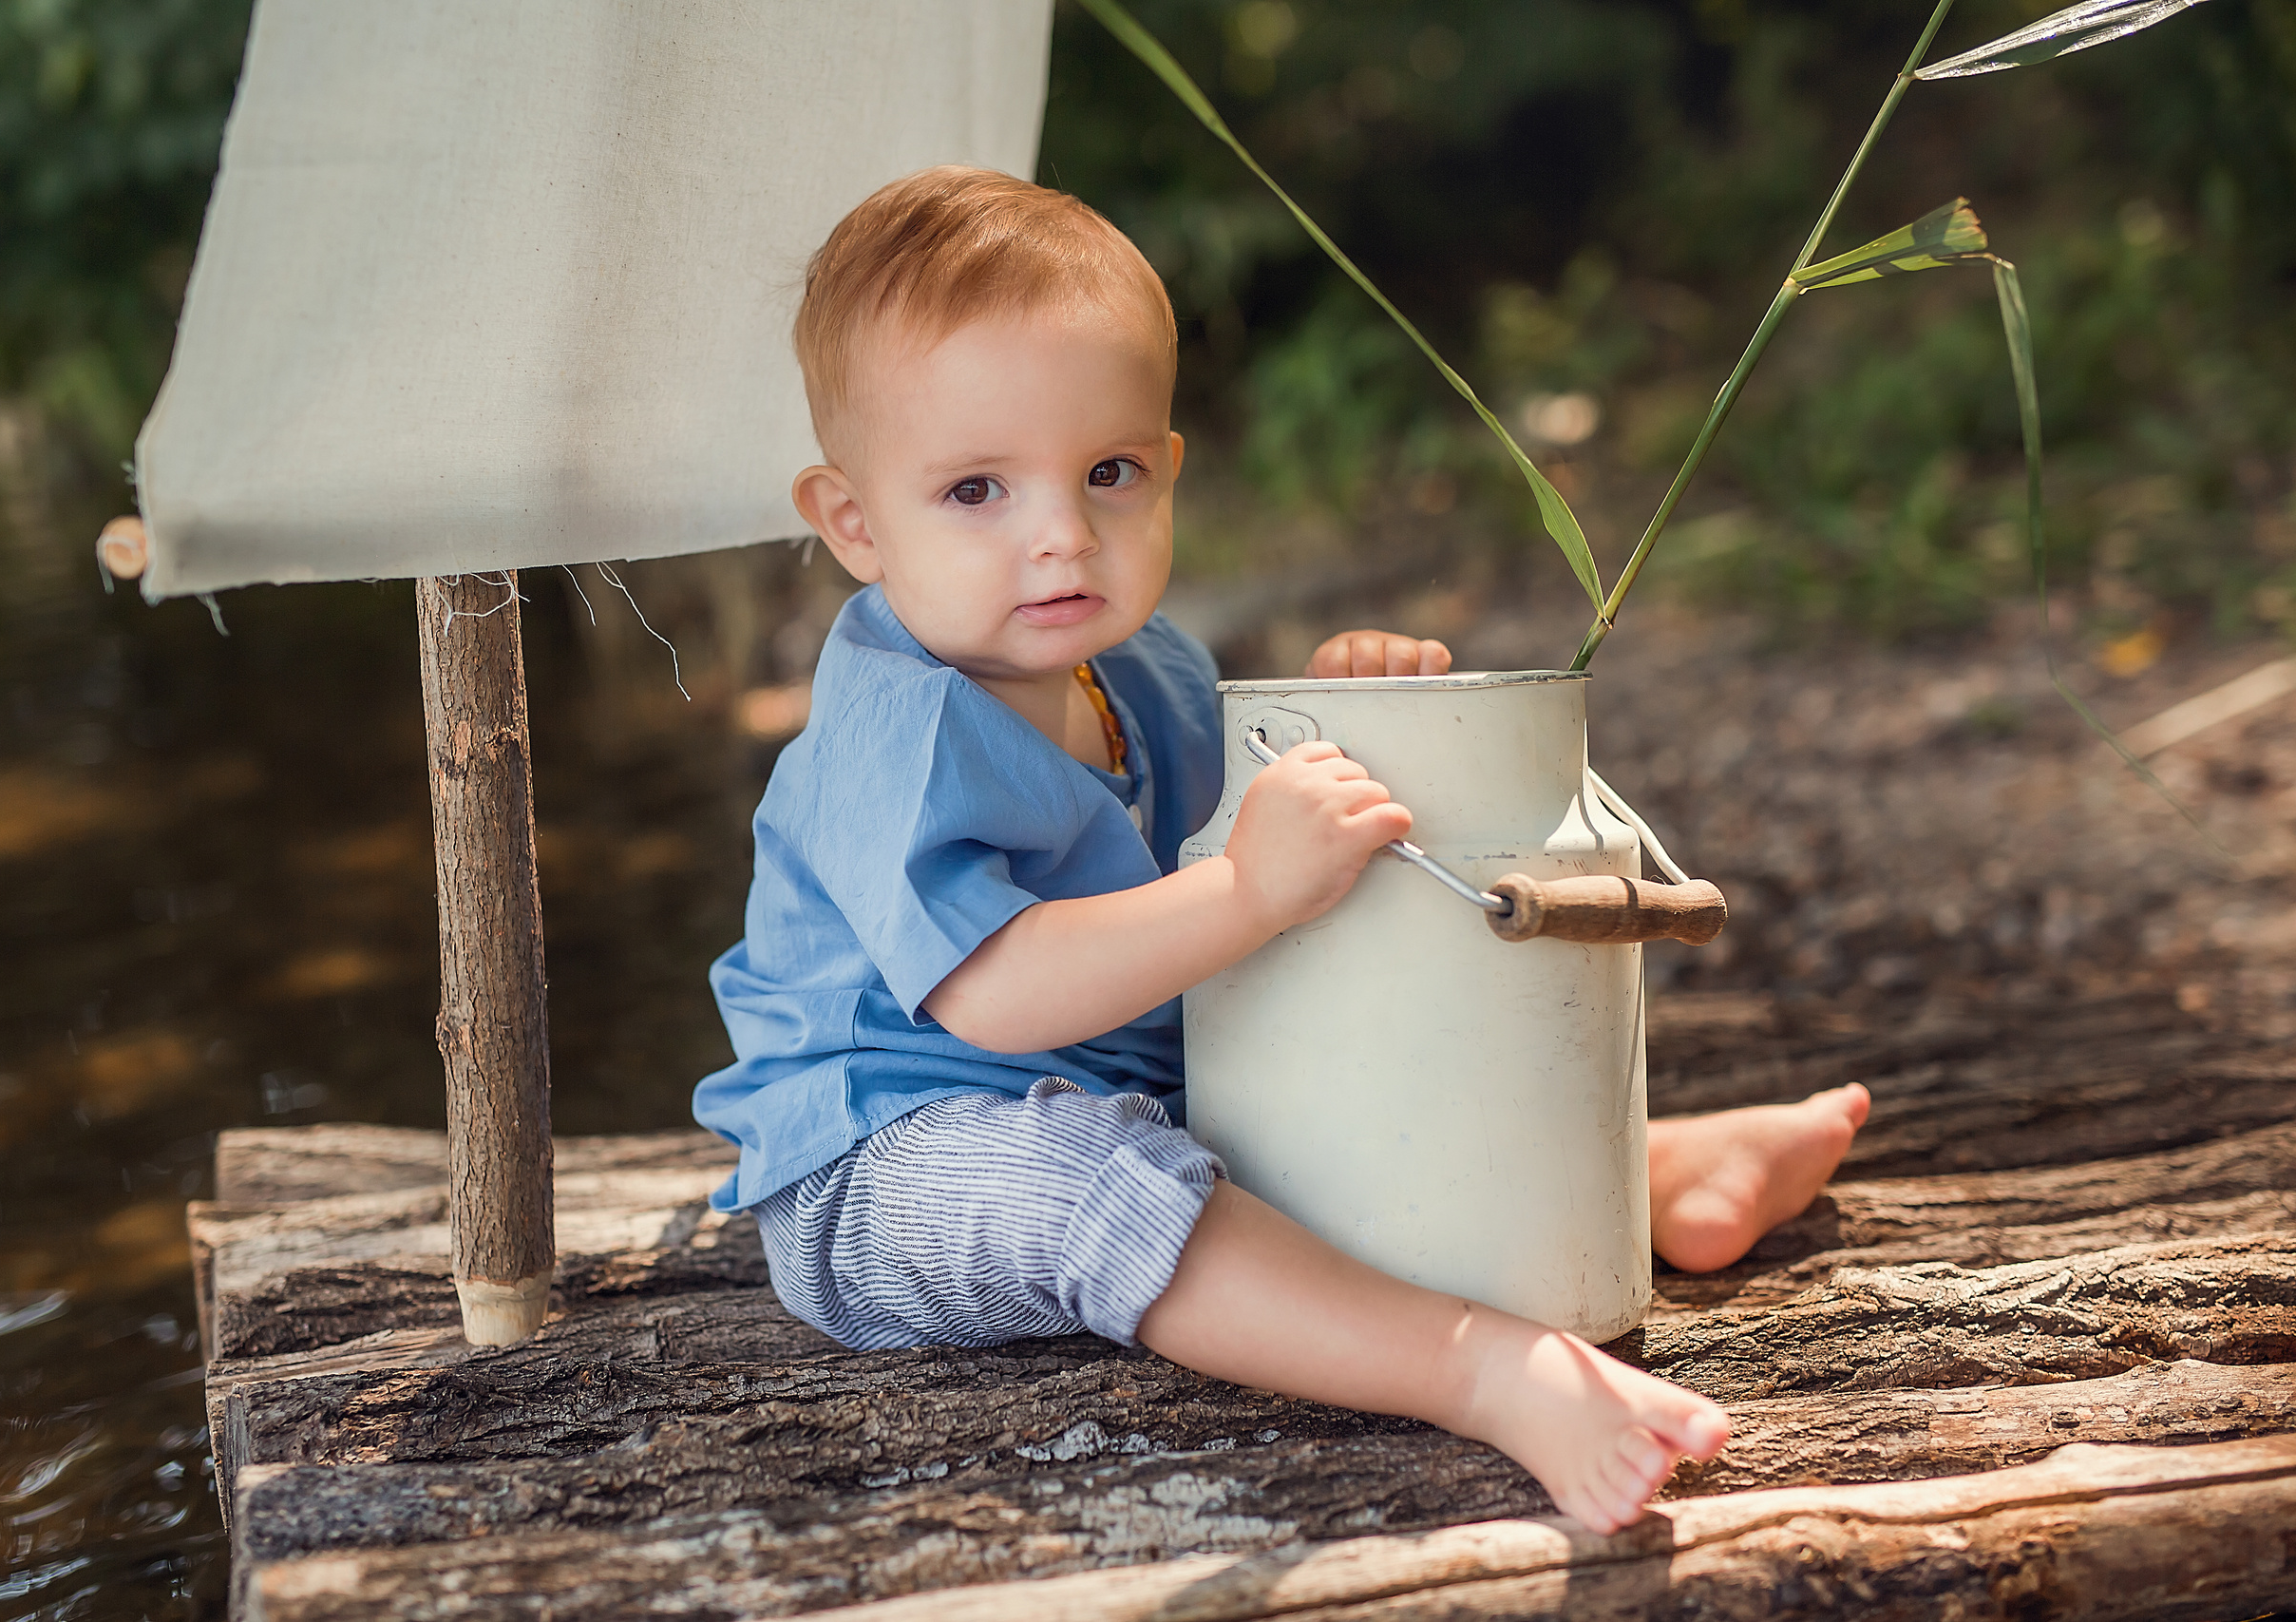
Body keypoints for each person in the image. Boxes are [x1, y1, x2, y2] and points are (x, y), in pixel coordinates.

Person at [694, 166, 1870, 1535]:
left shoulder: (1147, 670)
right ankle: (1481, 1369)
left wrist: (1335, 712)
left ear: (1167, 467)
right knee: (1089, 1183)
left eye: (1109, 473)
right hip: (894, 1160)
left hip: (1129, 1093)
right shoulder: (897, 731)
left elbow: (1243, 844)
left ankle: (1644, 1174)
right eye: (974, 490)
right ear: (852, 522)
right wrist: (1249, 885)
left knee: (1332, 1032)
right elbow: (999, 997)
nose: (1061, 535)